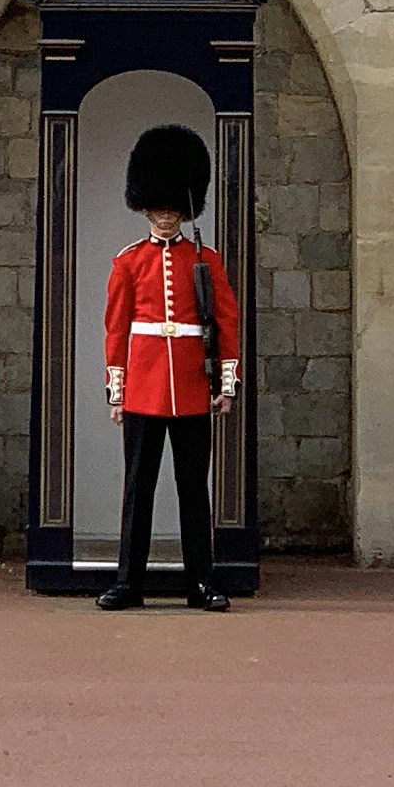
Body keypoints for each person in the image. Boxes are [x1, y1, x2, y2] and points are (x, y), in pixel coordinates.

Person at [97, 122, 240, 612]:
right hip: (144, 388)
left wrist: (226, 383)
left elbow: (226, 322)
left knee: (192, 492)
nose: (165, 215)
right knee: (137, 489)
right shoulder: (128, 262)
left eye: (173, 208)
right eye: (158, 208)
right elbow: (116, 330)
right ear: (146, 207)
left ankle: (201, 583)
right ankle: (127, 582)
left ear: (185, 208)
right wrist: (117, 392)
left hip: (193, 387)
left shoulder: (207, 260)